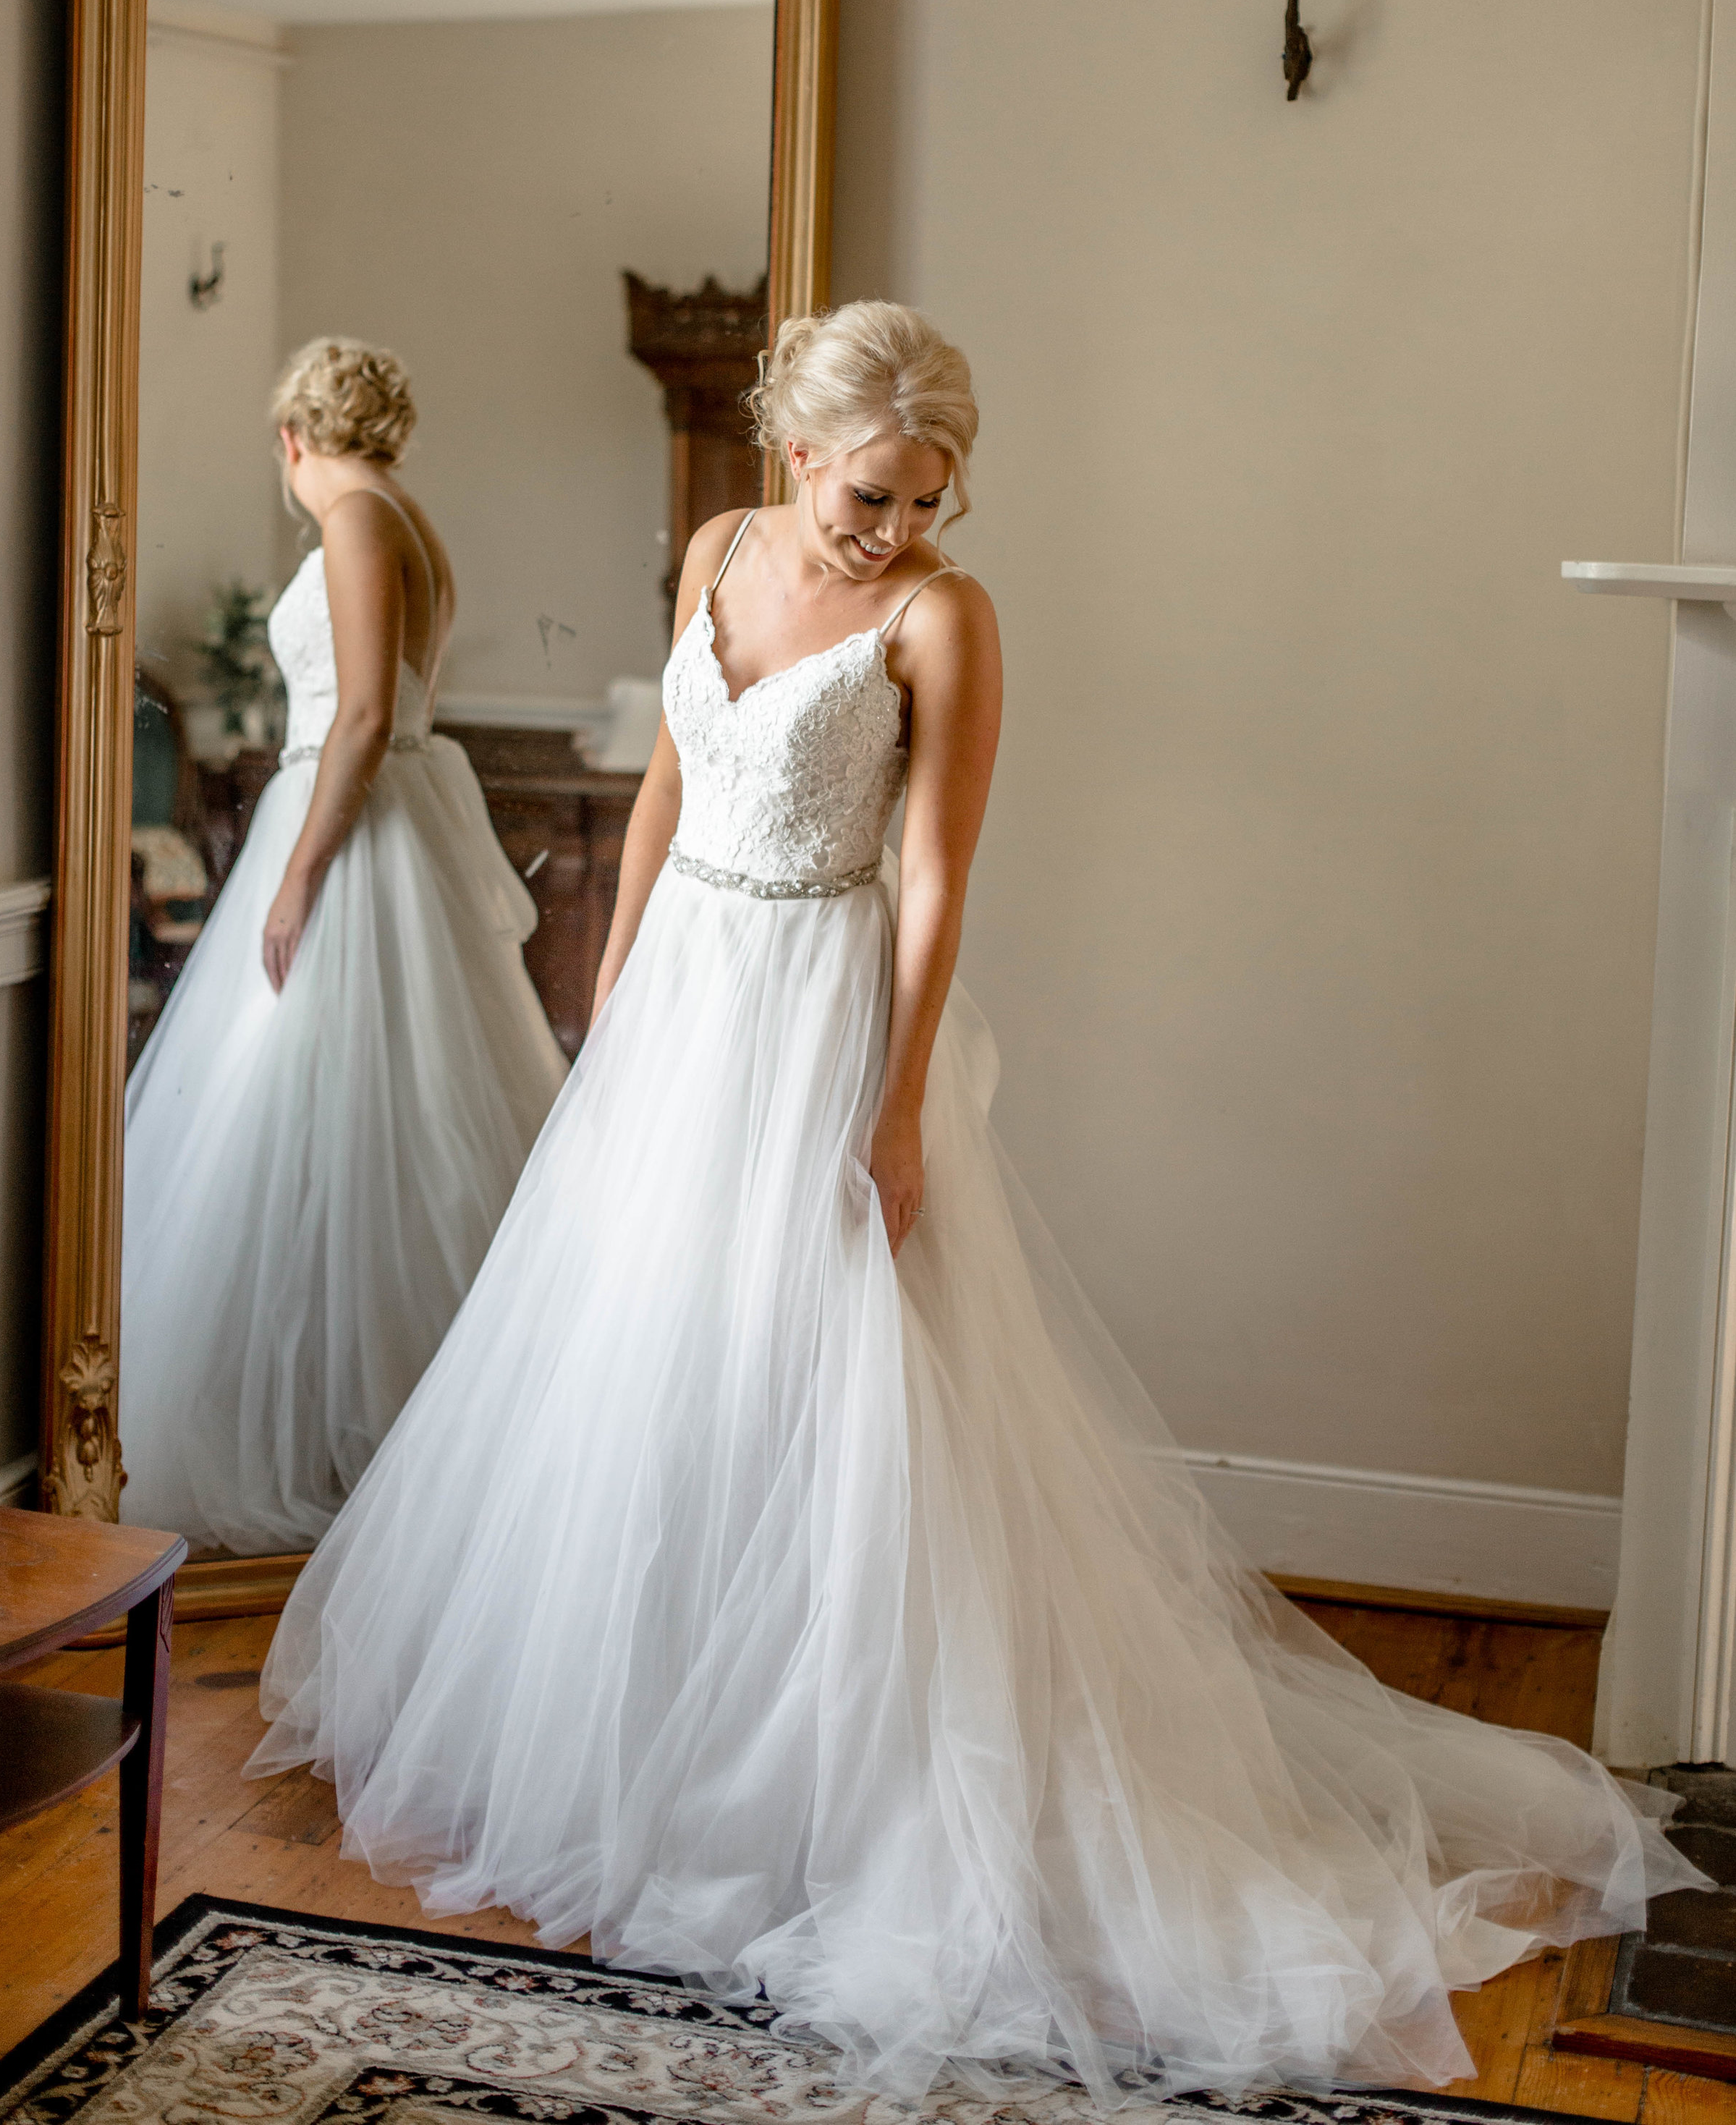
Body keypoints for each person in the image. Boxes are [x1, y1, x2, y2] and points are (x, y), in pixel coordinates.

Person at [250, 301, 1700, 2101]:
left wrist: (898, 1102)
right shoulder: (715, 549)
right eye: (868, 497)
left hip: (815, 1020)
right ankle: (635, 1742)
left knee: (830, 1397)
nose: (894, 532)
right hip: (682, 1000)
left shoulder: (944, 617)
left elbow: (932, 879)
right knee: (645, 1362)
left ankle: (805, 1789)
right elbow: (669, 786)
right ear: (797, 455)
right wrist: (608, 984)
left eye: (927, 500)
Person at [120, 337, 568, 1556]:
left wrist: (299, 873)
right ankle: (339, 1405)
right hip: (386, 815)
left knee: (333, 1115)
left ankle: (346, 1422)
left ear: (291, 441)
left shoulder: (360, 522)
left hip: (358, 834)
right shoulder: (402, 513)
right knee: (357, 1117)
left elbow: (366, 710)